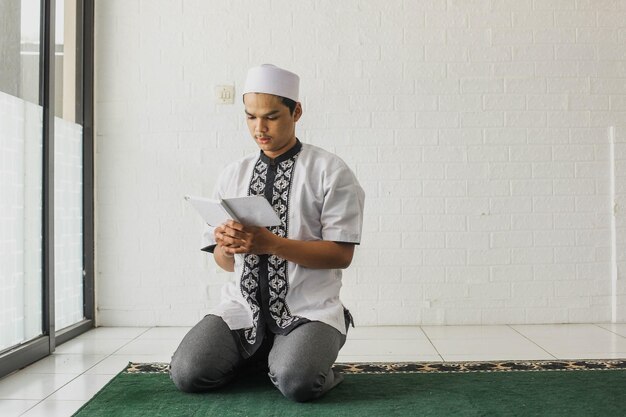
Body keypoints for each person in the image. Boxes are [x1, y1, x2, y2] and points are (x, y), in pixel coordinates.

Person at [170, 64, 365, 402]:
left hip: (309, 310)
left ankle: (301, 357)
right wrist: (227, 248)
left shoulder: (330, 171)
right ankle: (270, 355)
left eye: (271, 117)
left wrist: (271, 244)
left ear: (296, 111)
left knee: (298, 383)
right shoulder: (234, 173)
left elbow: (341, 255)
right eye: (250, 117)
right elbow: (225, 263)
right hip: (242, 310)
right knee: (187, 373)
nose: (259, 128)